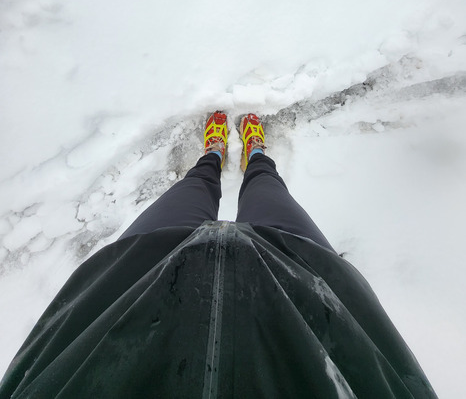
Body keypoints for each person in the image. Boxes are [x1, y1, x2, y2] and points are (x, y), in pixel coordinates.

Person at [0, 112, 437, 398]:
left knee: (190, 193)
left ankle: (214, 156)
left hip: (134, 278)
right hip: (309, 280)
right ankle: (250, 156)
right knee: (267, 191)